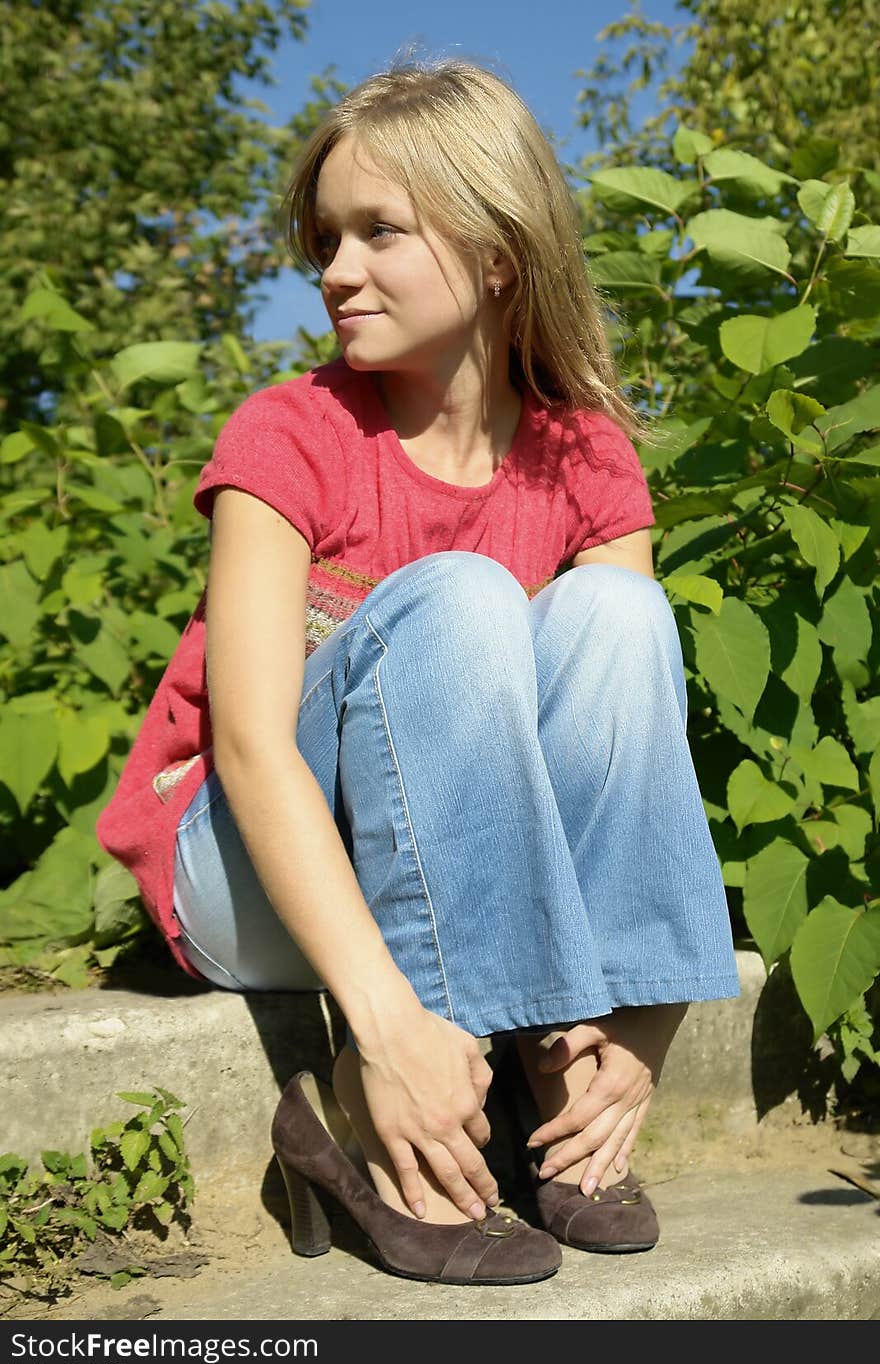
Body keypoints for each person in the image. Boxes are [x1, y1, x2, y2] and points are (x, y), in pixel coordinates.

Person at [96, 56, 740, 1288]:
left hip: (477, 885)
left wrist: (640, 1034)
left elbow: (618, 729)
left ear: (497, 253)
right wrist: (383, 1027)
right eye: (327, 236)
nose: (334, 269)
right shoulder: (289, 432)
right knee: (458, 599)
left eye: (378, 231)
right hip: (251, 869)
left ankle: (561, 1083)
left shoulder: (584, 458)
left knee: (616, 613)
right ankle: (366, 1104)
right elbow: (247, 748)